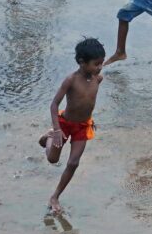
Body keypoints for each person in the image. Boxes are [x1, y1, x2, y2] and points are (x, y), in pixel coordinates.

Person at [38, 38, 105, 214]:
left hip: (83, 126)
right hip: (64, 125)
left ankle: (55, 196)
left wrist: (90, 118)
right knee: (53, 160)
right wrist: (58, 129)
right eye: (96, 64)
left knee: (73, 162)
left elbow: (88, 101)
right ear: (81, 62)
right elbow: (54, 105)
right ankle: (49, 137)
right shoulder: (71, 80)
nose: (100, 68)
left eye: (102, 63)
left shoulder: (98, 79)